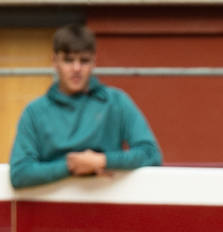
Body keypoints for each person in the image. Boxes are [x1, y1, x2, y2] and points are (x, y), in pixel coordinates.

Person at [8, 24, 161, 189]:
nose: (76, 68)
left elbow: (151, 154)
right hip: (52, 210)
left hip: (108, 204)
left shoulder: (116, 101)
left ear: (94, 62)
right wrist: (71, 166)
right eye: (68, 60)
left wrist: (103, 160)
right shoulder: (35, 112)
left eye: (84, 60)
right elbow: (19, 173)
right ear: (55, 62)